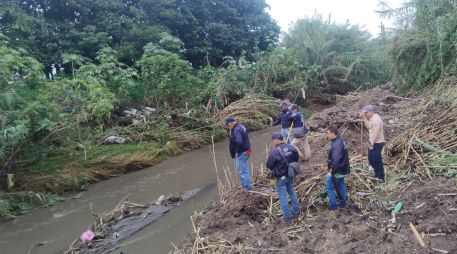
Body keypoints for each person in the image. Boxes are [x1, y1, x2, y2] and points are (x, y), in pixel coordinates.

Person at [266, 132, 300, 222]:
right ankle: (296, 211)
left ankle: (288, 217)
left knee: (282, 196)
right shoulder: (291, 147)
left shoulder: (274, 151)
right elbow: (296, 158)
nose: (273, 142)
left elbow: (269, 165)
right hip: (290, 174)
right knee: (292, 192)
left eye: (273, 140)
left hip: (280, 177)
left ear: (277, 140)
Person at [326, 125, 350, 212]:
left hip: (336, 170)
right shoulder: (340, 141)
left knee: (329, 188)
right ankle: (343, 204)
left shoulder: (337, 144)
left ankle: (334, 208)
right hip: (342, 169)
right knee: (341, 185)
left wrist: (332, 169)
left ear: (333, 133)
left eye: (328, 133)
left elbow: (336, 158)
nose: (327, 135)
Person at [225, 116, 252, 190]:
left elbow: (239, 141)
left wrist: (238, 152)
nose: (227, 127)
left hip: (242, 152)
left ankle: (247, 188)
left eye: (227, 125)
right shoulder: (241, 126)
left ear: (231, 124)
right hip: (247, 150)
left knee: (243, 171)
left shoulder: (236, 130)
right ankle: (245, 186)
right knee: (243, 169)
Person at [360, 105, 385, 181]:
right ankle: (375, 173)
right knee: (371, 158)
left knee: (376, 160)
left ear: (370, 112)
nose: (365, 114)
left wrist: (372, 144)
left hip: (377, 143)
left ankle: (381, 177)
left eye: (366, 113)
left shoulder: (376, 120)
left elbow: (376, 133)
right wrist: (364, 118)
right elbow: (369, 126)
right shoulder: (372, 119)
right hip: (373, 142)